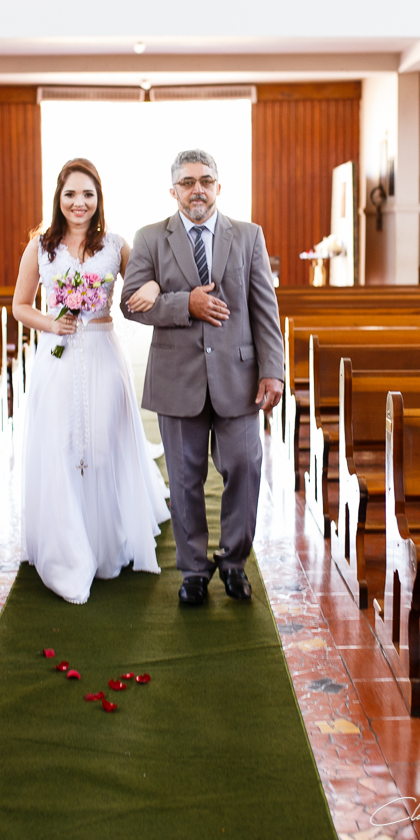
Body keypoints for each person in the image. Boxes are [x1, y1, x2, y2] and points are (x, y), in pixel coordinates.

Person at [121, 149, 284, 607]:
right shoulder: (151, 238)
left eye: (205, 180)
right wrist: (183, 304)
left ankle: (233, 563)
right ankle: (193, 571)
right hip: (178, 379)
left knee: (245, 470)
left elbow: (264, 311)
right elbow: (130, 303)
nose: (197, 189)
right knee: (185, 479)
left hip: (239, 376)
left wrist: (273, 369)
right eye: (188, 181)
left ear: (218, 186)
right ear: (172, 190)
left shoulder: (249, 236)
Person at [13, 157, 170, 605]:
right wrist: (50, 322)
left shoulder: (115, 246)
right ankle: (67, 550)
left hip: (102, 352)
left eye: (87, 194)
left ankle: (106, 543)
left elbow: (146, 281)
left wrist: (155, 290)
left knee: (103, 445)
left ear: (98, 199)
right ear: (58, 199)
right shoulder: (40, 249)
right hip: (57, 360)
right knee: (61, 445)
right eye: (70, 194)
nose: (79, 203)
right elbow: (19, 305)